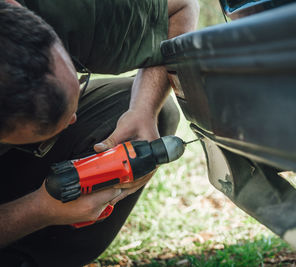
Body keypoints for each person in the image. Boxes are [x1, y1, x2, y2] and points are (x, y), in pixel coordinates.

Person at [0, 0, 199, 266]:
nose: (74, 119)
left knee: (138, 106)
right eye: (44, 125)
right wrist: (39, 210)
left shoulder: (60, 9)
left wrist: (144, 109)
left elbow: (181, 6)